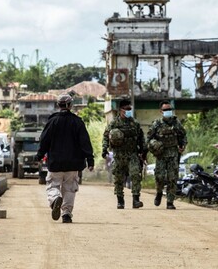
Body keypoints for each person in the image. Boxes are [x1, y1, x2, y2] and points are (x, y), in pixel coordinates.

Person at [36, 94, 94, 223]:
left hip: (55, 163)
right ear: (70, 105)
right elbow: (85, 142)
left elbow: (44, 140)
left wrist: (39, 155)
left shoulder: (52, 121)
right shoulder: (78, 122)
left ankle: (55, 198)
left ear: (58, 105)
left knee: (53, 185)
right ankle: (66, 213)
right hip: (73, 164)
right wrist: (90, 160)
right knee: (69, 188)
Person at [101, 99, 146, 209]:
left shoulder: (135, 123)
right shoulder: (114, 124)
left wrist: (143, 151)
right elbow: (106, 136)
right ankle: (120, 201)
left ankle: (136, 200)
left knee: (135, 174)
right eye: (126, 109)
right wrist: (104, 149)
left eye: (130, 109)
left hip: (132, 154)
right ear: (120, 110)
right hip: (119, 154)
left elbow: (141, 138)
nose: (128, 111)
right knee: (119, 178)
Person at [147, 100, 187, 210]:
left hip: (173, 154)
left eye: (169, 109)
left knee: (172, 178)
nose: (168, 111)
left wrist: (183, 145)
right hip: (161, 155)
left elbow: (183, 135)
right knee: (159, 177)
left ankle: (170, 201)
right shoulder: (157, 124)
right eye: (165, 110)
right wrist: (153, 146)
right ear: (161, 111)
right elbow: (149, 138)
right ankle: (159, 192)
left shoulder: (176, 123)